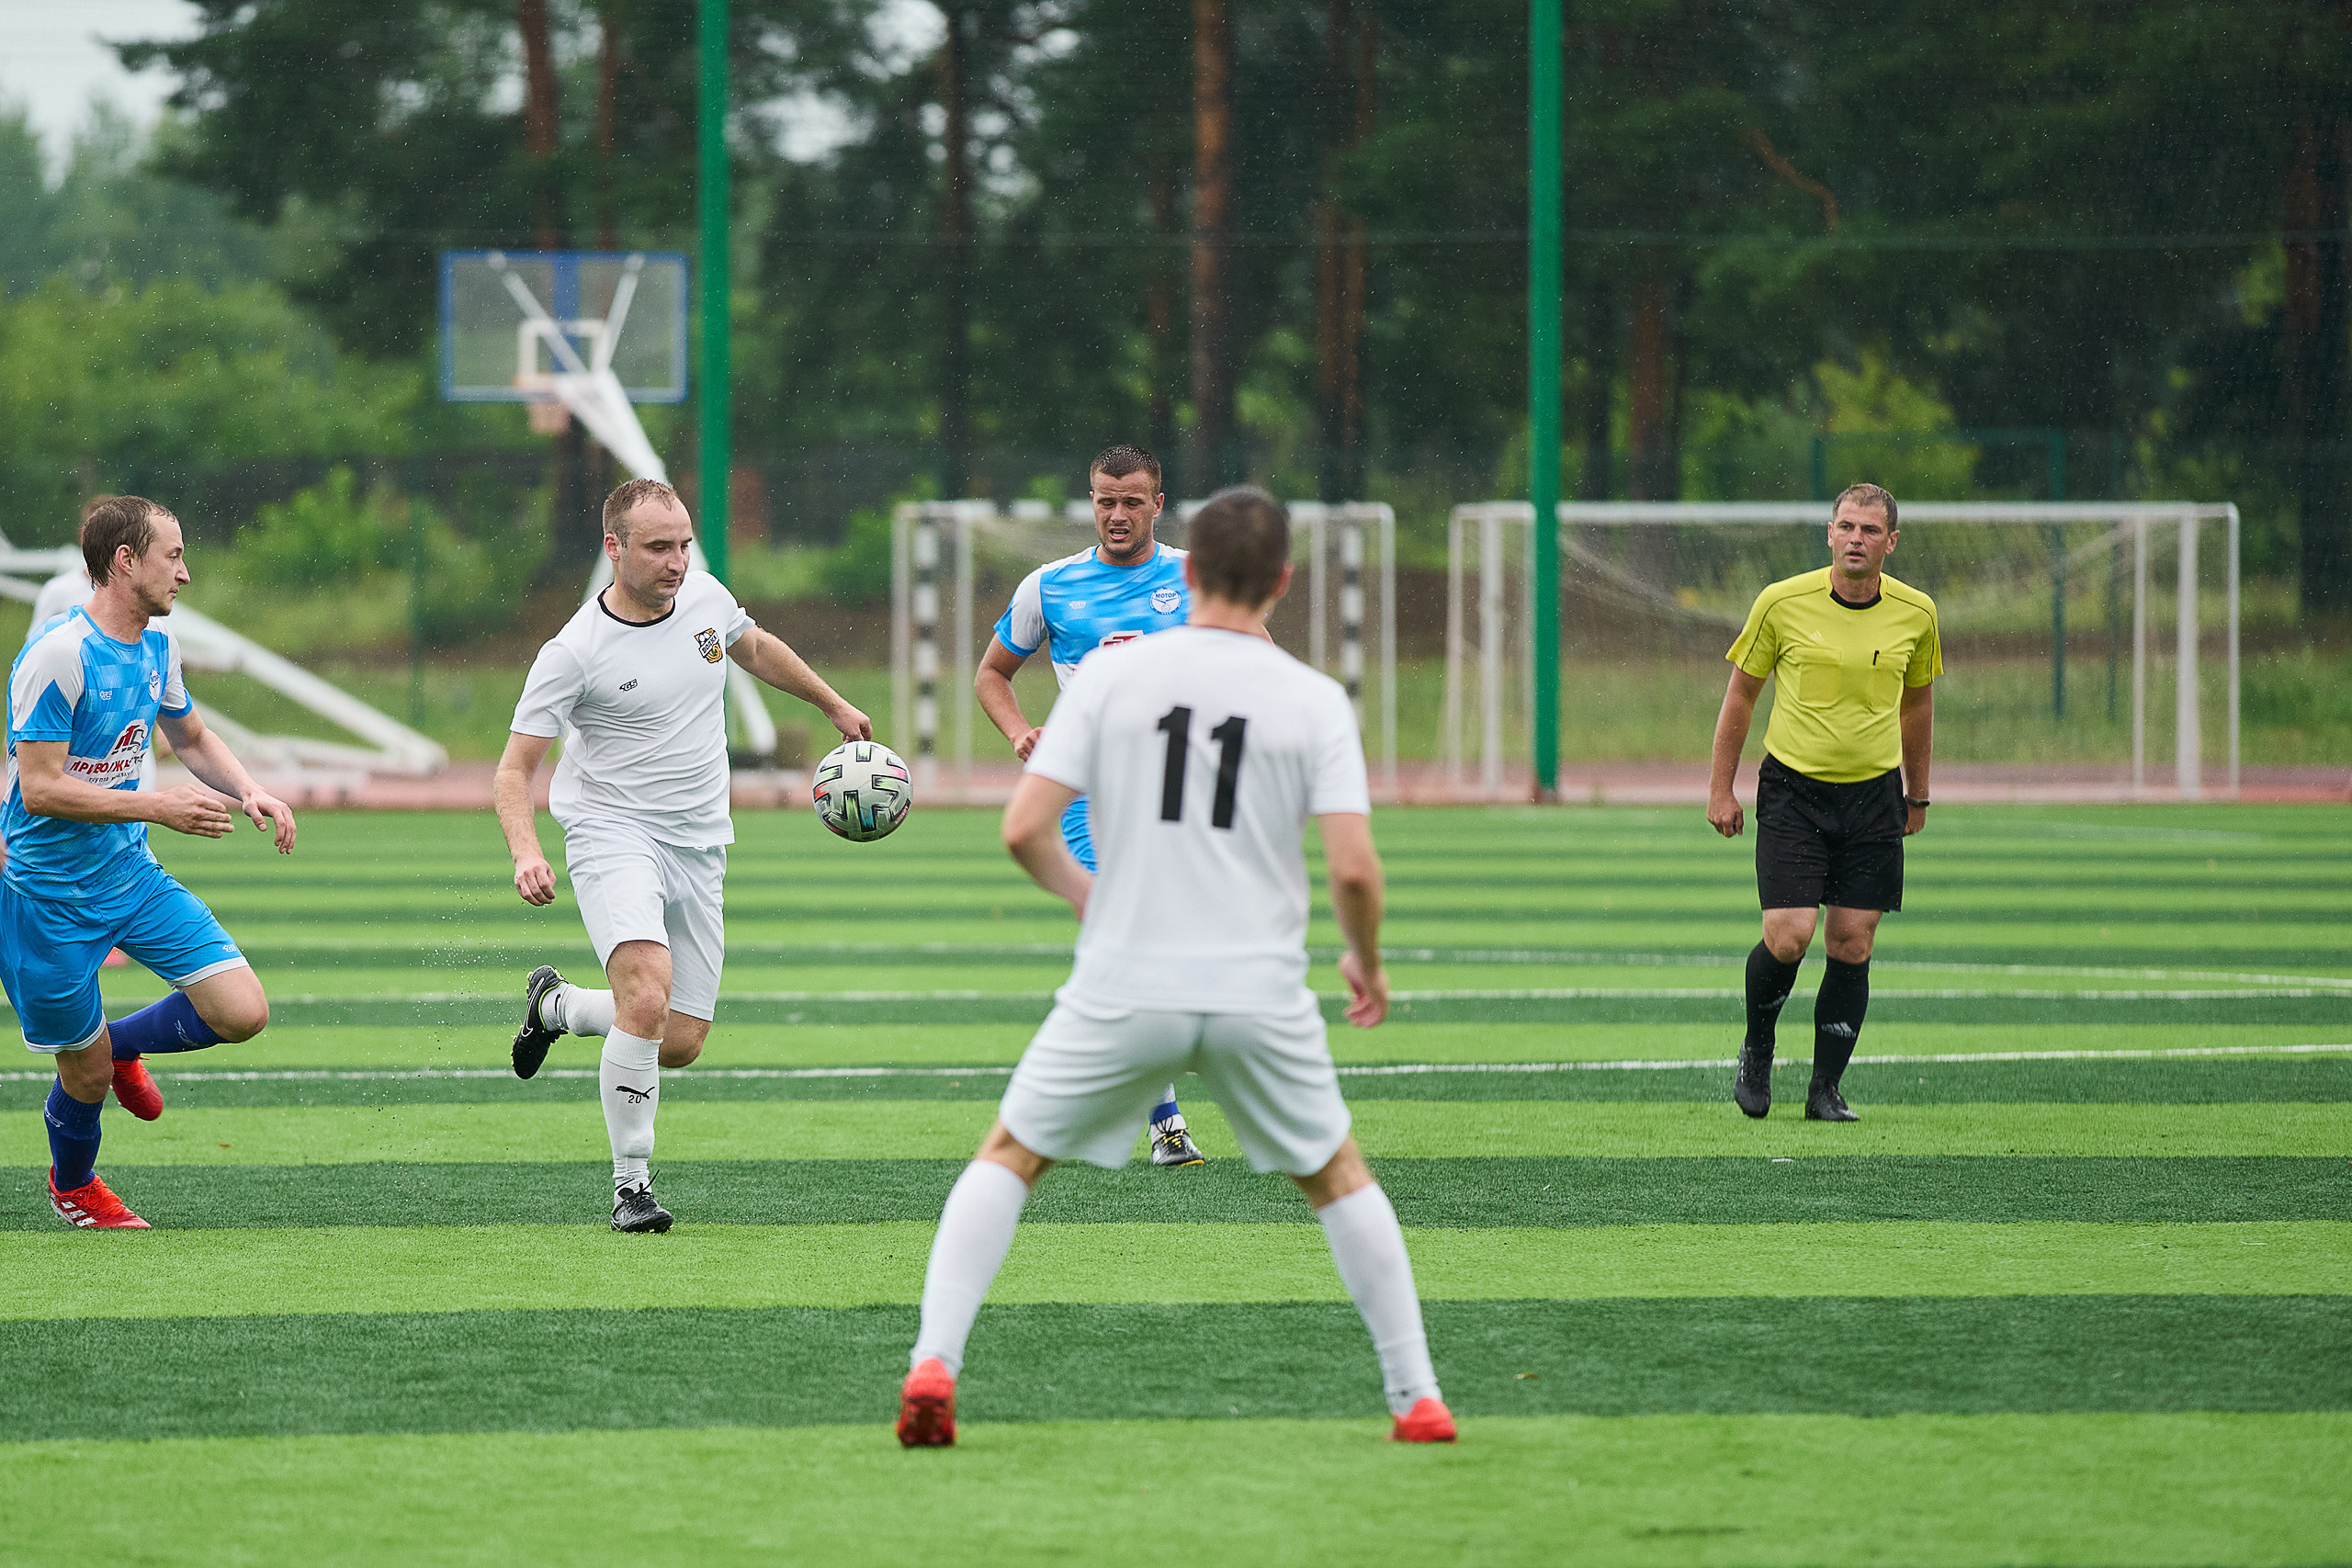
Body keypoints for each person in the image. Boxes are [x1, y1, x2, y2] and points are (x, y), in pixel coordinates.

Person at [899, 487, 1456, 1448]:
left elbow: (1024, 830)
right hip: (1257, 989)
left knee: (1011, 1157)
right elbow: (1356, 870)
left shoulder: (1113, 682)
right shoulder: (1312, 697)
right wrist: (1365, 963)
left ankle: (934, 1364)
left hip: (1127, 978)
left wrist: (1096, 903)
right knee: (1338, 1178)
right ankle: (1417, 1399)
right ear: (1282, 582)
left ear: (1186, 570)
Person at [496, 478, 872, 1233]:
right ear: (614, 548)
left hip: (701, 840)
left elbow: (754, 647)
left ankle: (557, 1005)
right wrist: (527, 851)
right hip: (612, 832)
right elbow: (514, 770)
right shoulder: (573, 651)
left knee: (680, 1039)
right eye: (658, 547)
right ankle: (630, 1187)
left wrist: (831, 703)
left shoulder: (703, 598)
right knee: (645, 996)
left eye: (683, 545)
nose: (676, 562)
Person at [8, 495, 296, 1228]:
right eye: (173, 556)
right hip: (45, 899)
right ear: (125, 561)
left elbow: (193, 738)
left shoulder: (158, 649)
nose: (187, 573)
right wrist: (157, 804)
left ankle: (124, 1045)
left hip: (130, 876)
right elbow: (38, 789)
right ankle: (74, 1186)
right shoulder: (57, 656)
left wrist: (251, 788)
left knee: (242, 1011)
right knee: (85, 1073)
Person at [973, 444, 1205, 1168]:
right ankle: (1161, 1119)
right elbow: (991, 674)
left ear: (1157, 505)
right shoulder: (1049, 587)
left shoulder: (1196, 578)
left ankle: (1117, 1073)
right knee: (1121, 938)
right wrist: (1019, 732)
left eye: (1132, 501)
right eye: (1106, 500)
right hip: (1086, 799)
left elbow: (1255, 655)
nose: (1117, 514)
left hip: (1180, 792)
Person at [1705, 481, 1941, 1122]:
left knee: (1853, 943)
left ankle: (1825, 1089)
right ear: (1829, 533)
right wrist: (1720, 786)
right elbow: (1741, 695)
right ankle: (1758, 1044)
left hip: (1873, 796)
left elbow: (1917, 704)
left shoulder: (1916, 613)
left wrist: (1917, 792)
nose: (1855, 539)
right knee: (1788, 936)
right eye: (1846, 526)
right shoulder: (1782, 602)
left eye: (1869, 530)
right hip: (1793, 791)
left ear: (1891, 542)